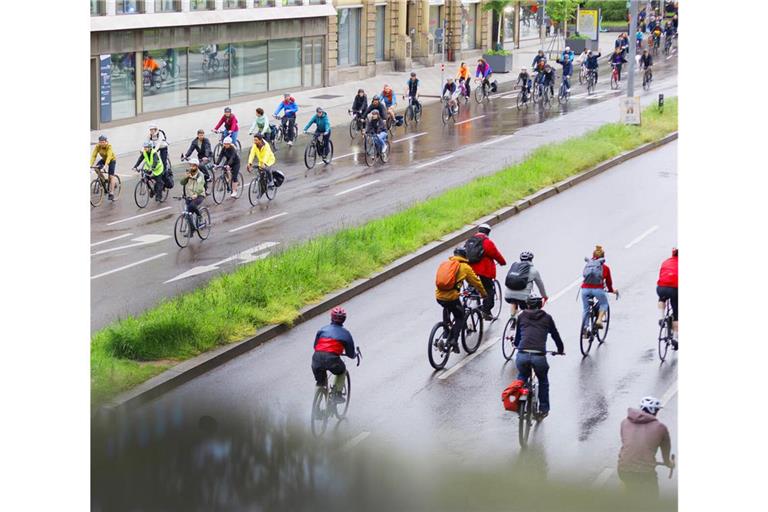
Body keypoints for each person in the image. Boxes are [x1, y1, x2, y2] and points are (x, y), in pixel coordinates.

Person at [513, 296, 565, 419]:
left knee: (521, 377)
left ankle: (518, 404)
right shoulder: (547, 318)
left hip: (522, 354)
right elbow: (555, 335)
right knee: (543, 380)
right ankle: (543, 409)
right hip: (539, 356)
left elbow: (518, 337)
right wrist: (560, 350)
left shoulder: (521, 316)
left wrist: (516, 345)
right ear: (540, 305)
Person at [617, 397, 674, 499]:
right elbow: (666, 454)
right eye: (657, 410)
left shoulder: (624, 422)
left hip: (623, 470)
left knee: (628, 489)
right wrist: (669, 463)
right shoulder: (661, 427)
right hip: (644, 473)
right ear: (654, 411)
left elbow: (627, 444)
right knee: (652, 499)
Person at [435, 247, 487, 353]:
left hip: (439, 296)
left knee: (447, 306)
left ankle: (446, 330)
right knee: (460, 316)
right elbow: (476, 282)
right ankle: (454, 340)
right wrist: (483, 293)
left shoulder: (445, 264)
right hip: (452, 297)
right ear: (464, 256)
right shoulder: (465, 267)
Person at [311, 307, 356, 404]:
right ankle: (337, 394)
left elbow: (315, 346)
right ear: (344, 319)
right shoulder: (346, 334)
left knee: (320, 382)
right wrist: (354, 355)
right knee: (342, 370)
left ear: (331, 317)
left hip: (317, 358)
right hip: (332, 359)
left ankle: (316, 405)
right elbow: (351, 354)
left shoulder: (322, 330)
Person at [466, 224, 506, 321]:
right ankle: (486, 311)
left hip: (470, 270)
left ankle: (471, 293)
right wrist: (502, 262)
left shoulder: (469, 241)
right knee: (489, 290)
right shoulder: (487, 242)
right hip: (484, 271)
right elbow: (496, 254)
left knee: (472, 284)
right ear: (488, 232)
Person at [580, 245, 618, 329]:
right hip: (598, 290)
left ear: (593, 256)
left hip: (585, 290)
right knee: (604, 303)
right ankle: (599, 320)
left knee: (586, 309)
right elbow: (609, 283)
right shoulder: (605, 268)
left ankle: (585, 328)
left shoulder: (588, 265)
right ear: (603, 258)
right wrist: (612, 290)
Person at [504, 251, 548, 319]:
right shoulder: (534, 271)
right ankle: (526, 321)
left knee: (513, 301)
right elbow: (540, 285)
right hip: (523, 298)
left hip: (507, 296)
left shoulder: (514, 267)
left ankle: (512, 319)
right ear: (531, 259)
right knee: (528, 309)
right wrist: (544, 296)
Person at [657, 248, 678, 349]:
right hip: (674, 289)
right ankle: (675, 338)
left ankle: (661, 318)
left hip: (661, 288)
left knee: (662, 298)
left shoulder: (666, 261)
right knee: (677, 312)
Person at [179, 158, 207, 228]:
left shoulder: (200, 175)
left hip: (199, 194)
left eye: (193, 166)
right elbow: (182, 182)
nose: (191, 167)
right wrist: (186, 177)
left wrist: (196, 194)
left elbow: (200, 186)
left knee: (191, 206)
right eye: (190, 165)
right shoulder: (188, 173)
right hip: (190, 195)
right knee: (188, 213)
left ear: (197, 166)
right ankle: (192, 230)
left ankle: (200, 216)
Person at [90, 135, 118, 200]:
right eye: (100, 142)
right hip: (104, 159)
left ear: (106, 142)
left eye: (103, 142)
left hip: (111, 160)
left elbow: (109, 157)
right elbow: (94, 156)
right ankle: (103, 180)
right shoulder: (98, 146)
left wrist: (105, 166)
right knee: (96, 168)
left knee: (111, 176)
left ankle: (111, 193)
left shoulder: (109, 147)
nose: (101, 143)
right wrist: (90, 164)